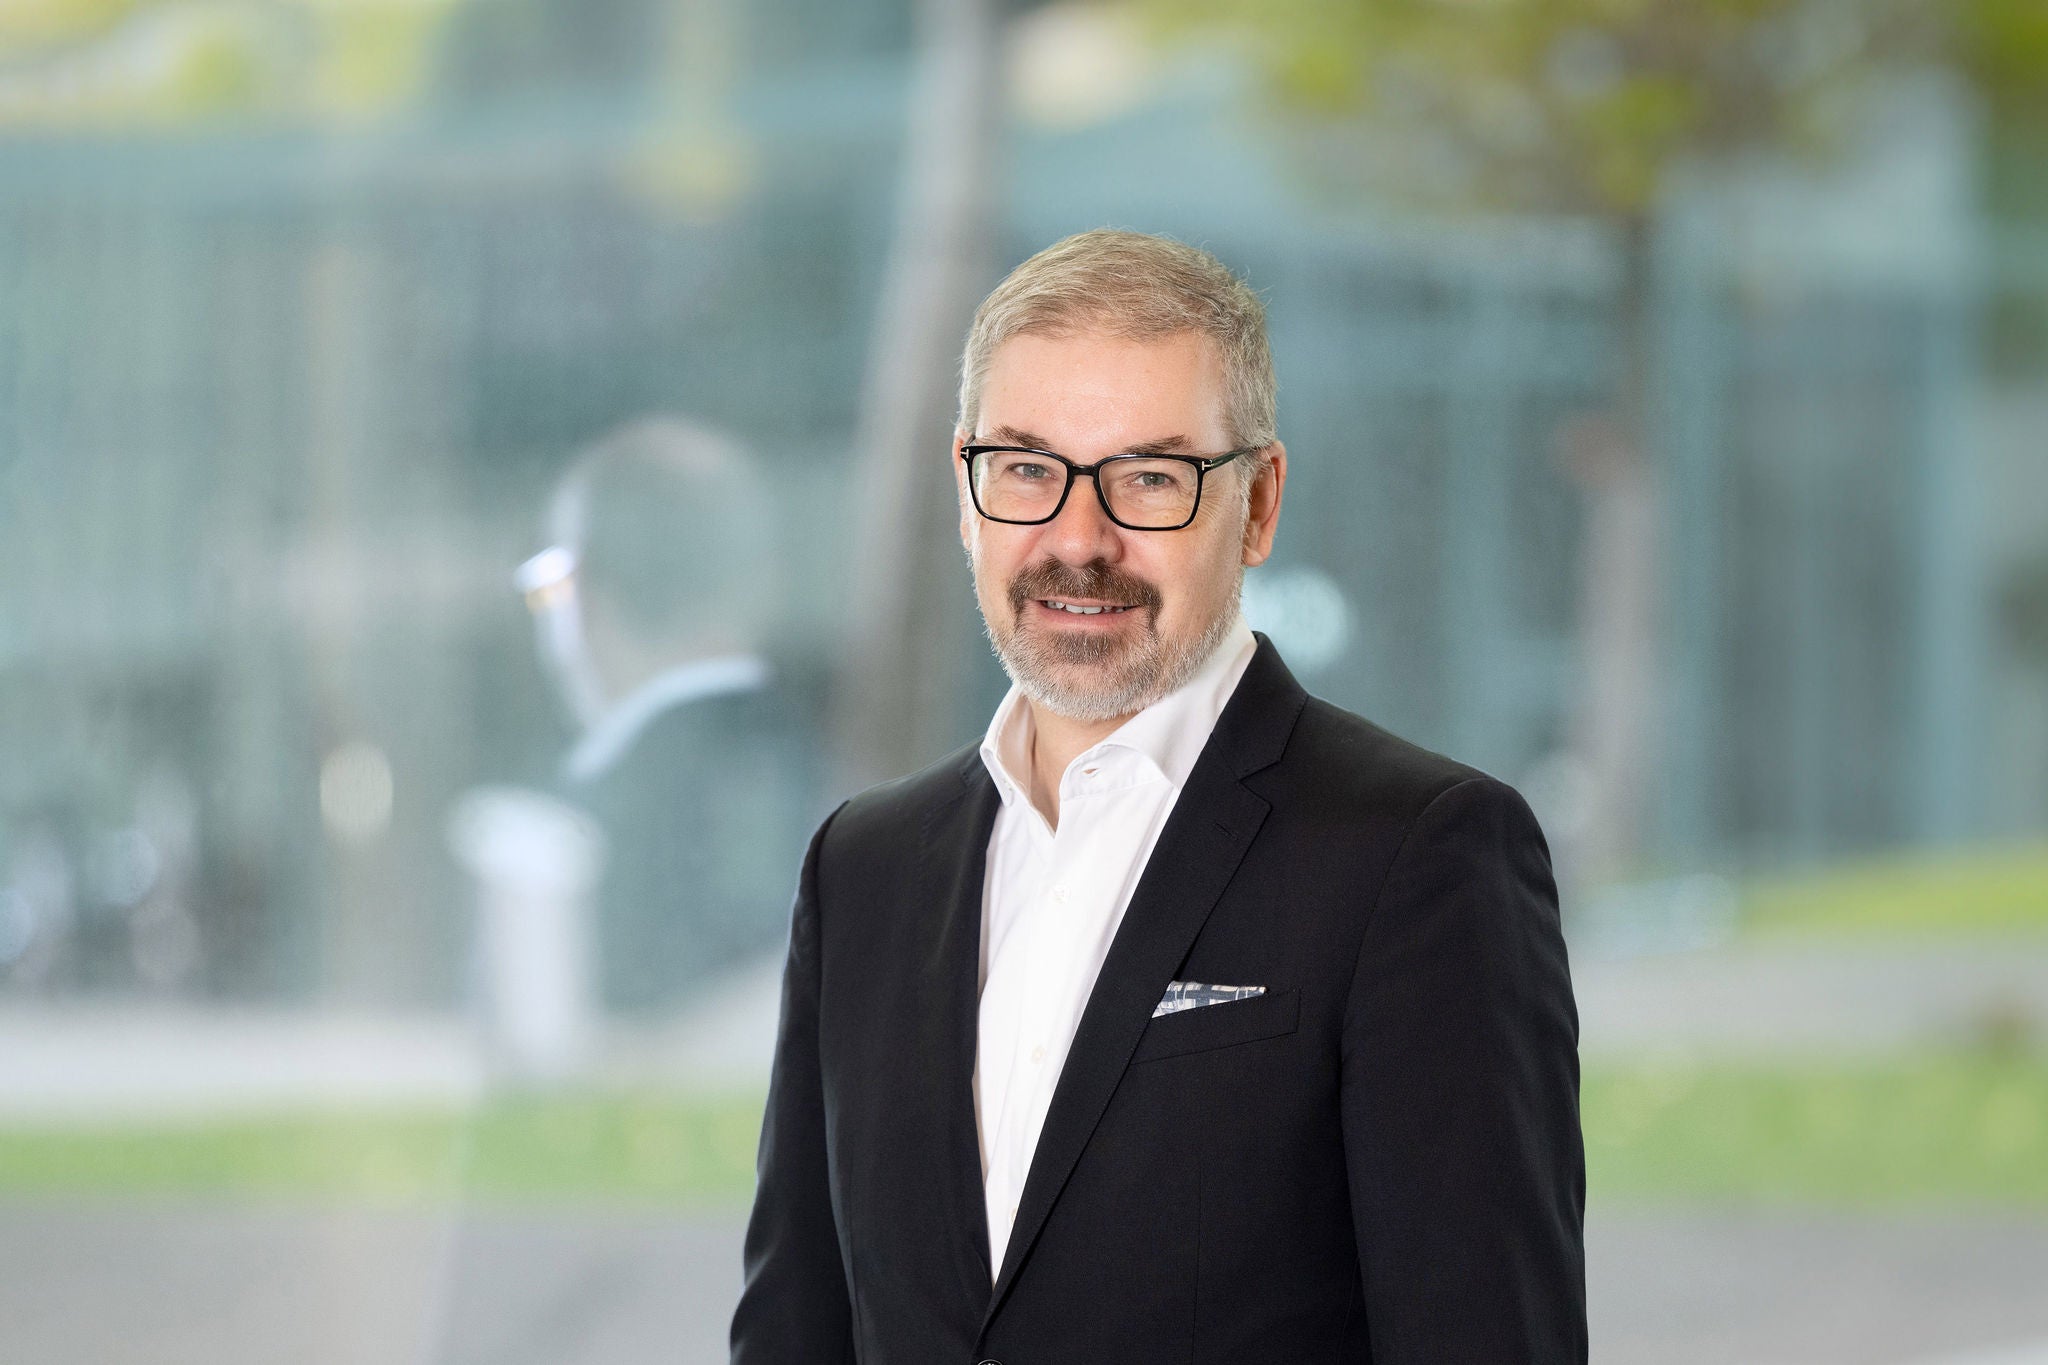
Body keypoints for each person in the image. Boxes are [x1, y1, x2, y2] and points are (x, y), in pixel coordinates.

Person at [731, 230, 1586, 1362]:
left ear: (1259, 504)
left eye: (1148, 478)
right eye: (1027, 469)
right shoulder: (862, 869)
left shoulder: (1419, 855)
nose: (1078, 541)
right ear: (965, 491)